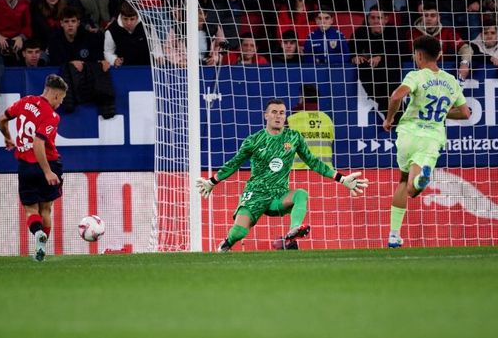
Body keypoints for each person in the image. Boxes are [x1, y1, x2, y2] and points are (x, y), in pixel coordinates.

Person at [195, 98, 368, 252]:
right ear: (266, 116)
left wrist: (342, 178)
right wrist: (212, 181)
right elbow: (234, 163)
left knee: (301, 194)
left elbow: (313, 162)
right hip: (255, 193)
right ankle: (225, 244)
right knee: (239, 232)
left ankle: (293, 231)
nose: (279, 116)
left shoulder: (294, 137)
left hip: (279, 195)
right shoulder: (253, 140)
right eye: (274, 112)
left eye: (282, 113)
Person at [382, 35, 471, 248]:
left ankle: (394, 234)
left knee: (403, 182)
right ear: (439, 55)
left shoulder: (416, 75)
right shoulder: (451, 81)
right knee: (414, 190)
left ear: (419, 55)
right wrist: (440, 116)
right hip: (431, 138)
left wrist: (389, 118)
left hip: (408, 135)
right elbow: (466, 113)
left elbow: (396, 96)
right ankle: (422, 178)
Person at [0, 73, 68, 261]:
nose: (60, 103)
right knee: (46, 209)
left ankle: (37, 234)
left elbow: (1, 119)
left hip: (25, 166)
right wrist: (47, 171)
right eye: (61, 99)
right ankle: (41, 248)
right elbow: (38, 143)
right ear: (55, 95)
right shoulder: (52, 116)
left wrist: (7, 137)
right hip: (48, 163)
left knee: (30, 210)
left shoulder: (25, 101)